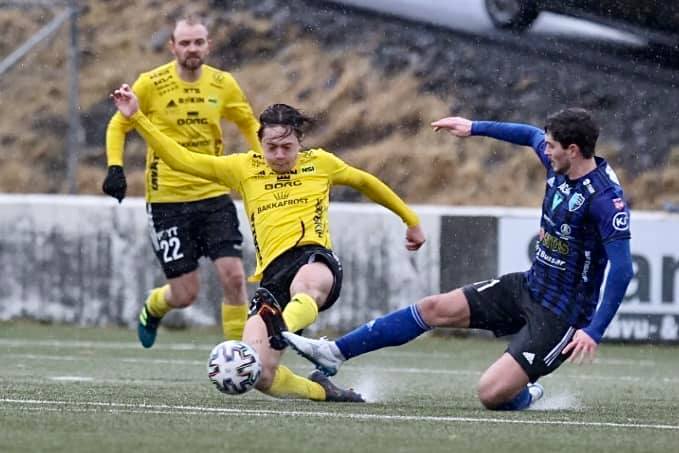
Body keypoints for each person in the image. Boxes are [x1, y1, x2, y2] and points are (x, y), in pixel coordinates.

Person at [283, 108, 634, 410]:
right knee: (434, 308)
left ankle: (526, 393)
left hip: (562, 314)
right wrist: (473, 127)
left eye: (552, 146)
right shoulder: (559, 164)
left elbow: (622, 269)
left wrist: (593, 331)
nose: (546, 150)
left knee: (491, 394)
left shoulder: (605, 200)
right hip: (530, 285)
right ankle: (334, 353)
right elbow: (529, 135)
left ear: (573, 150)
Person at [110, 84, 426, 402]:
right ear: (260, 141)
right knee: (258, 374)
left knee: (306, 287)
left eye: (287, 147)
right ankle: (323, 391)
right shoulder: (244, 168)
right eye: (271, 147)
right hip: (272, 278)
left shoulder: (321, 163)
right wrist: (137, 118)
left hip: (314, 258)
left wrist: (410, 220)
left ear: (299, 142)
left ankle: (282, 328)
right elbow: (182, 160)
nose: (279, 155)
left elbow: (365, 182)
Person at [102, 16, 261, 348]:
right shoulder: (151, 83)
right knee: (186, 294)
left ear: (208, 46)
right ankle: (154, 306)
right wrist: (115, 167)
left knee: (234, 277)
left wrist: (265, 162)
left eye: (198, 42)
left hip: (214, 194)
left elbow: (248, 124)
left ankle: (239, 356)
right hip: (168, 201)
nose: (192, 49)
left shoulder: (223, 84)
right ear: (172, 46)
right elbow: (119, 124)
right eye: (185, 43)